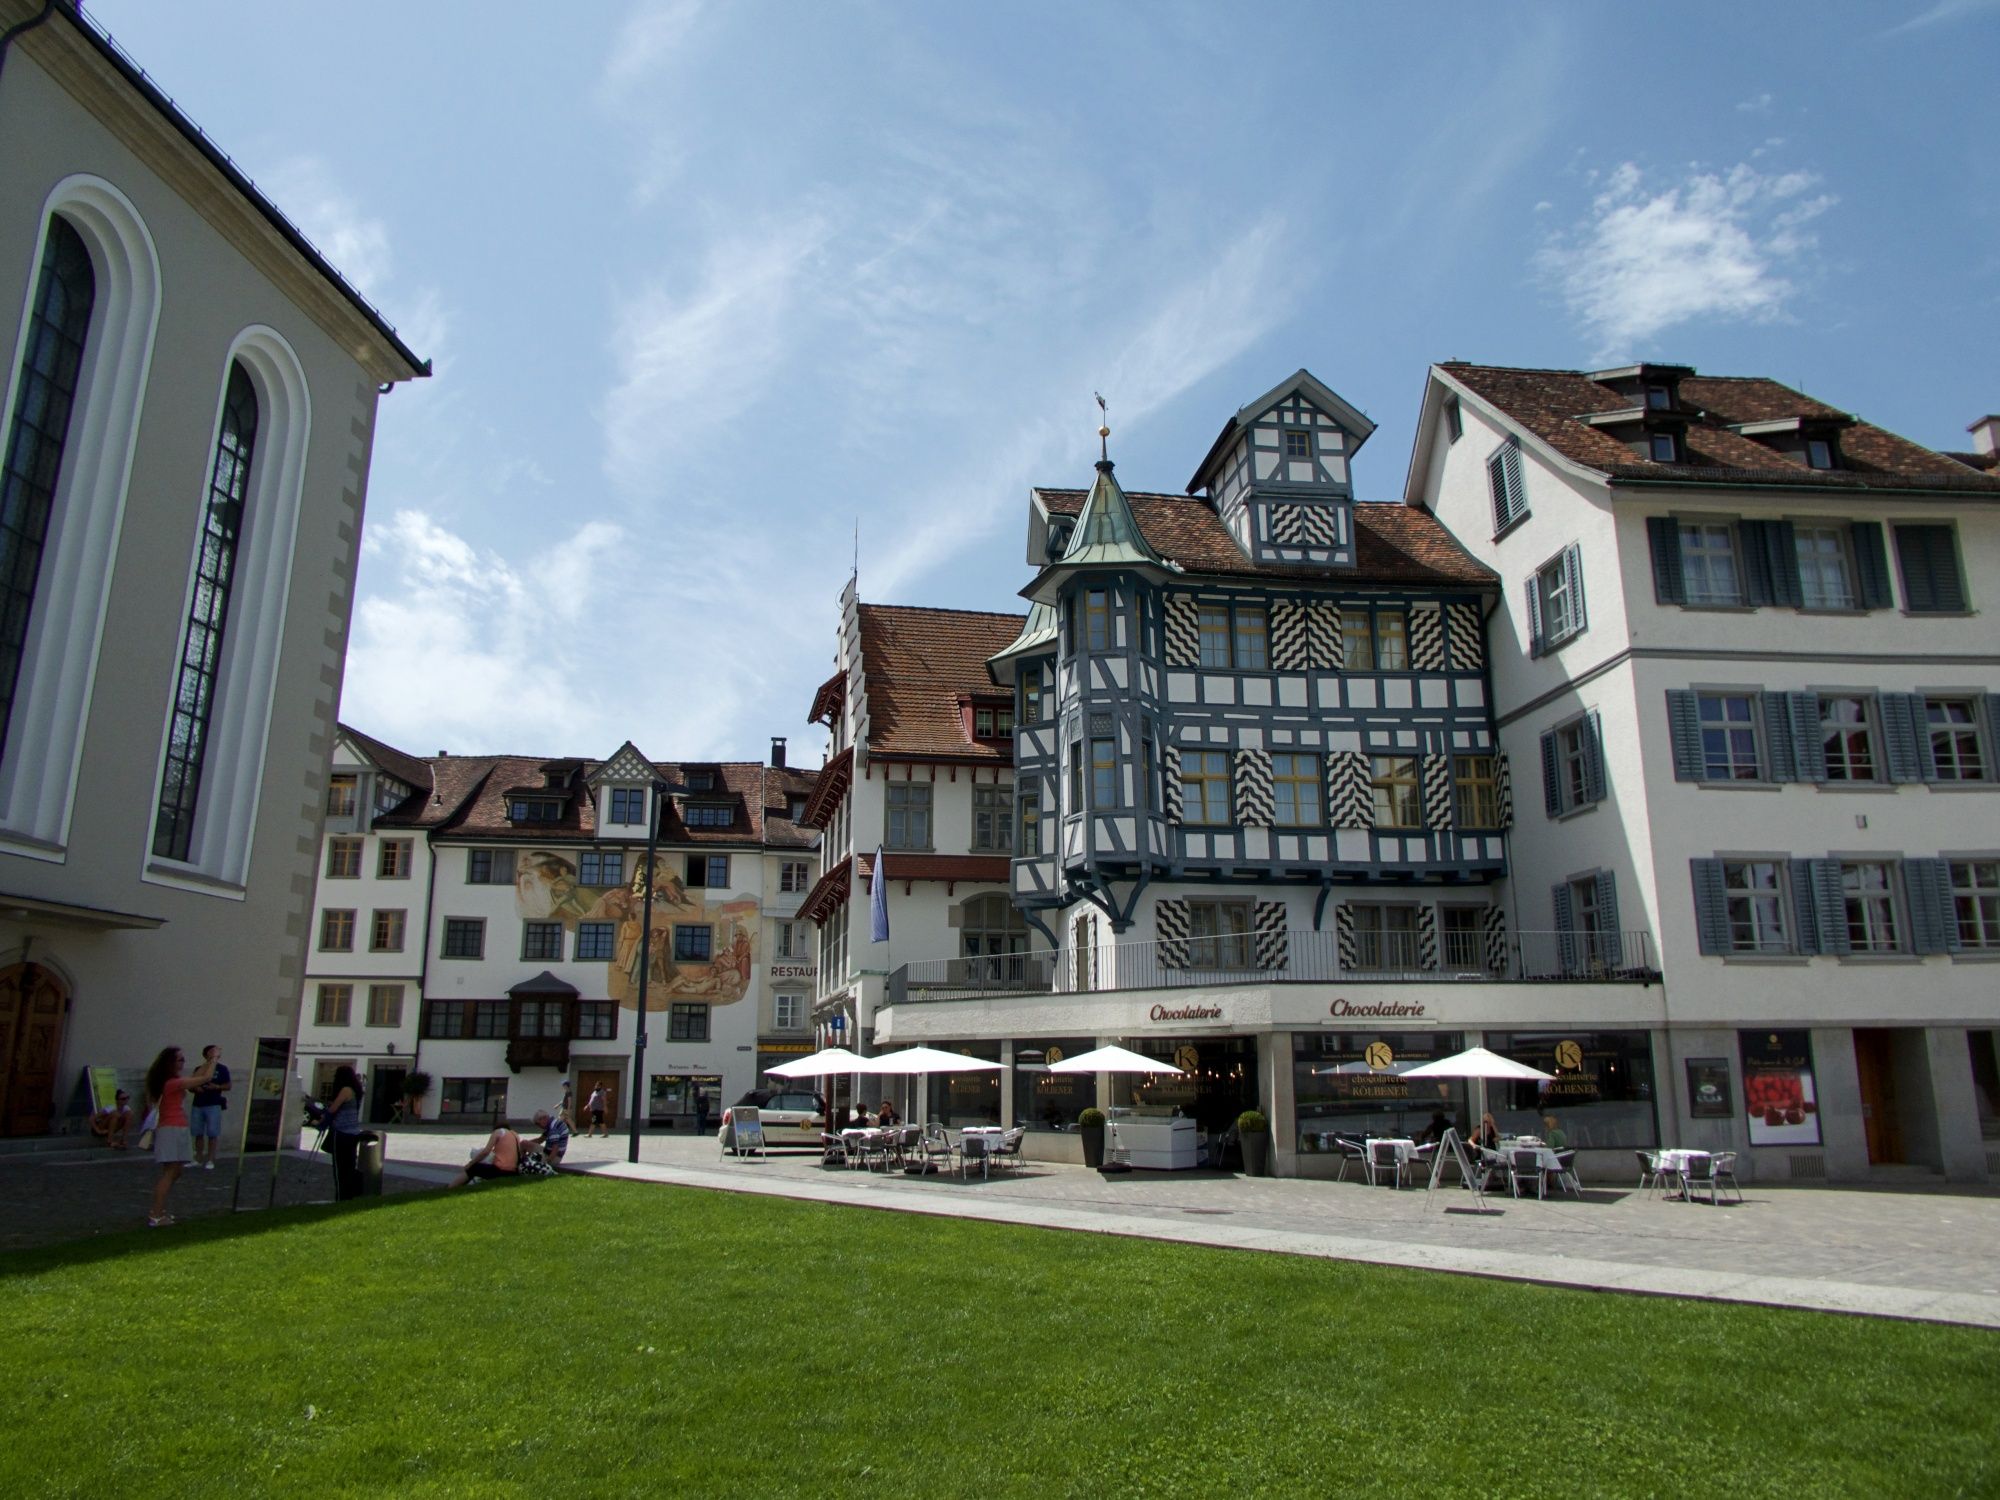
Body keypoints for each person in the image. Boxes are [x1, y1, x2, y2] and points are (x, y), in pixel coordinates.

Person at [145, 1045, 219, 1227]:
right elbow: (205, 1078)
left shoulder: (171, 1081)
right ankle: (155, 1214)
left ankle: (159, 1210)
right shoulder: (171, 1083)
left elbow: (195, 1078)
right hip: (172, 1128)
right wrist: (215, 1059)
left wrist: (208, 1061)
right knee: (170, 1172)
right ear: (171, 1063)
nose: (183, 1063)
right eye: (180, 1060)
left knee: (174, 1171)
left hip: (174, 1128)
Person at [324, 1065, 367, 1201]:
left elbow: (333, 1109)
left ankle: (341, 1196)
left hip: (341, 1132)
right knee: (349, 1165)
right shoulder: (356, 1090)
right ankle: (349, 1195)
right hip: (353, 1133)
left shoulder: (345, 1090)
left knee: (339, 1168)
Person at [188, 1043, 231, 1170]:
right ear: (207, 1054)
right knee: (198, 1132)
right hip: (198, 1103)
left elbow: (228, 1085)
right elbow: (190, 1086)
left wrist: (216, 1087)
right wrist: (196, 1088)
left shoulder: (222, 1069)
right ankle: (198, 1157)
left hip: (213, 1103)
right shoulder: (199, 1068)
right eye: (213, 1051)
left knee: (212, 1133)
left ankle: (211, 1159)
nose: (216, 1053)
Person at [449, 1122, 522, 1187]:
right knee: (482, 1169)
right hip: (513, 1172)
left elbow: (486, 1152)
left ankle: (452, 1187)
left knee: (474, 1168)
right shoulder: (515, 1135)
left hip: (501, 1170)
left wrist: (470, 1163)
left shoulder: (498, 1132)